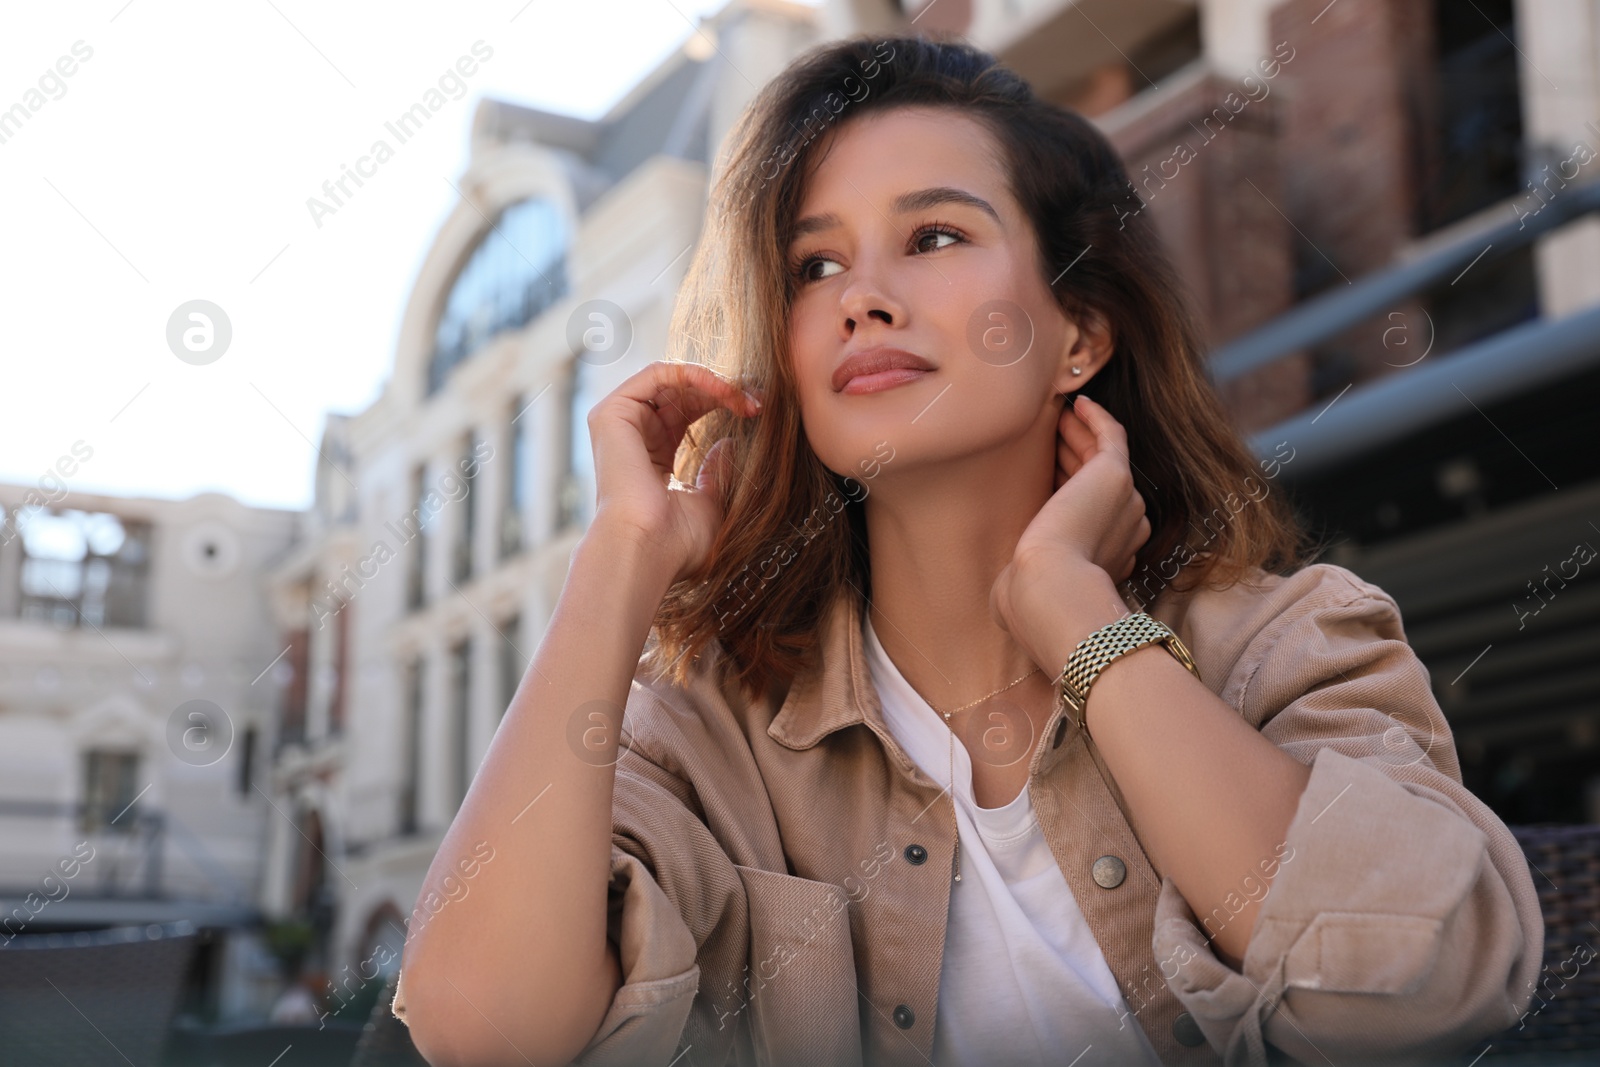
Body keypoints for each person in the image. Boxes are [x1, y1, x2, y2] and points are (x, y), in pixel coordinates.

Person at [392, 34, 1544, 1067]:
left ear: (1079, 335)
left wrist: (1078, 619)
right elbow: (483, 1029)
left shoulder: (1284, 641)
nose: (864, 298)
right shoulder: (710, 730)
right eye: (814, 266)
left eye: (933, 235)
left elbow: (1422, 990)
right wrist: (622, 558)